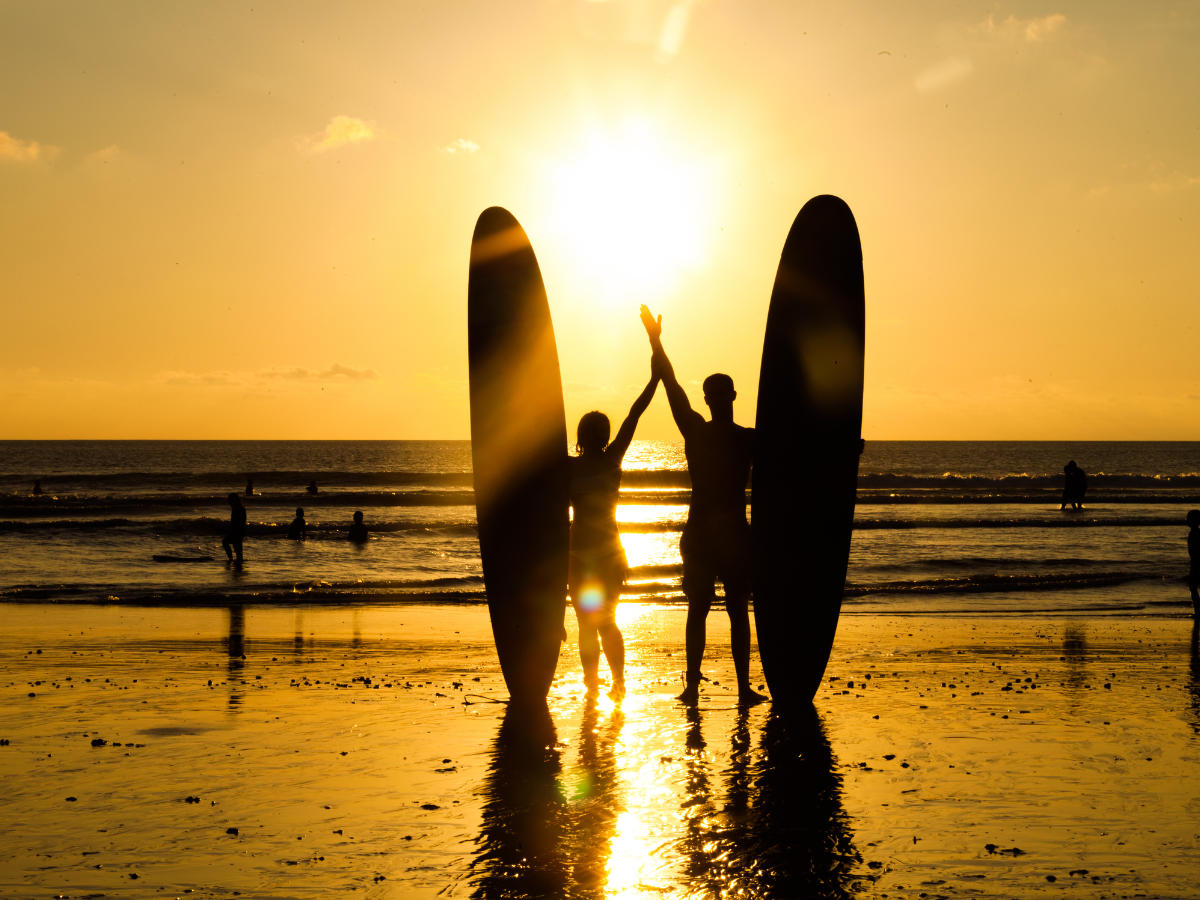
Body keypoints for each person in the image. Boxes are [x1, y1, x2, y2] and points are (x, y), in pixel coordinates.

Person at [640, 304, 766, 705]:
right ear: (730, 396)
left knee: (700, 611)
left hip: (699, 534)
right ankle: (742, 689)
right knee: (736, 611)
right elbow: (797, 448)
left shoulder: (696, 431)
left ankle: (693, 687)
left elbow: (670, 383)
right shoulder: (748, 439)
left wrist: (655, 339)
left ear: (709, 399)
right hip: (731, 535)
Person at [568, 363, 660, 699]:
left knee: (603, 621)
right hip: (582, 554)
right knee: (591, 623)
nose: (596, 437)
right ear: (584, 435)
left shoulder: (609, 460)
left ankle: (616, 682)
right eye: (592, 431)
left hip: (603, 555)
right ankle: (595, 684)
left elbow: (635, 414)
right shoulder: (571, 466)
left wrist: (654, 379)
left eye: (598, 432)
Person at [222, 493, 247, 565]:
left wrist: (233, 531)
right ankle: (236, 561)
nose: (229, 503)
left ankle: (231, 559)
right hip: (239, 531)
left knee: (227, 543)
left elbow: (239, 522)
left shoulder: (238, 509)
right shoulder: (239, 508)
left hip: (237, 531)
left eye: (230, 501)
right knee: (237, 549)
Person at [1188, 510, 1200, 616]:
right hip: (1195, 563)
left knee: (1193, 587)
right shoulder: (1196, 533)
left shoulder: (1194, 534)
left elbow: (1195, 552)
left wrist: (1193, 568)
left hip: (1196, 565)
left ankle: (1197, 612)